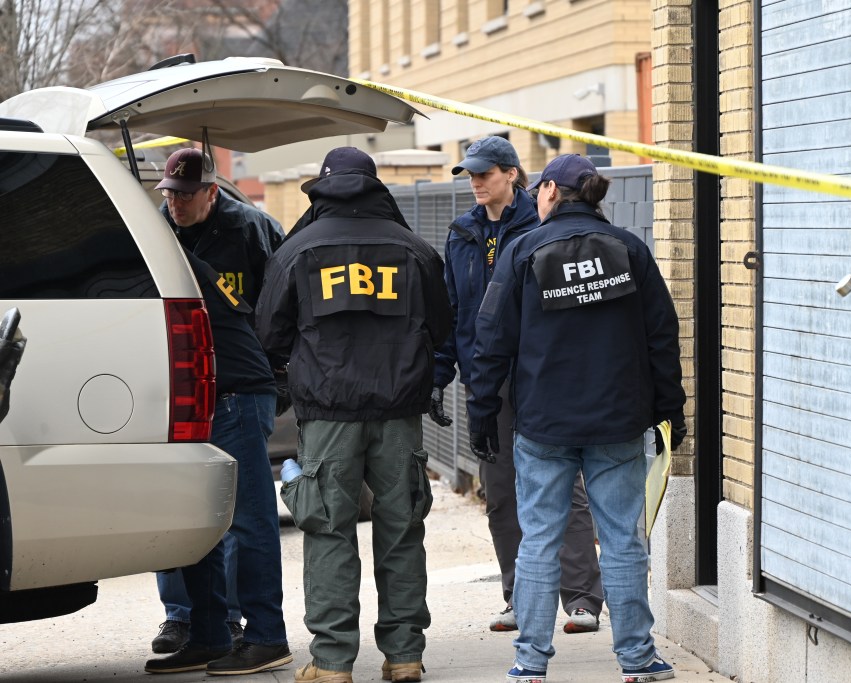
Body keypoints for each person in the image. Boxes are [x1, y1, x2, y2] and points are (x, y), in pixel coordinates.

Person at [466, 154, 686, 683]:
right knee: (623, 540)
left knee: (539, 539)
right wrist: (670, 411)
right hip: (618, 421)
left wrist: (482, 413)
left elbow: (490, 341)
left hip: (543, 423)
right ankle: (637, 659)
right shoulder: (629, 250)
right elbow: (663, 337)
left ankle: (529, 664)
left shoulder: (522, 251)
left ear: (547, 193)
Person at [255, 147, 452, 683]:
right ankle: (405, 655)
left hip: (328, 413)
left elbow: (268, 334)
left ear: (321, 187)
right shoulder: (412, 248)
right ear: (375, 186)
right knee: (402, 529)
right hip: (398, 412)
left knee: (327, 530)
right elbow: (442, 325)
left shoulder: (299, 249)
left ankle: (333, 661)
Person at [427, 136, 604, 634]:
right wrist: (441, 375)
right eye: (470, 174)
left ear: (511, 173)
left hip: (540, 377)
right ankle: (518, 597)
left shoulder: (541, 225)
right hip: (486, 381)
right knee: (501, 492)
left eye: (485, 173)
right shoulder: (462, 234)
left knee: (562, 488)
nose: (477, 182)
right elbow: (453, 313)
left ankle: (582, 599)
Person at [144, 149, 291, 676]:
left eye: (186, 194)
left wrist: (279, 377)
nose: (175, 202)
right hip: (186, 396)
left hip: (238, 391)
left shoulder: (251, 229)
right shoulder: (153, 232)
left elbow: (283, 303)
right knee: (191, 520)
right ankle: (205, 634)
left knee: (249, 520)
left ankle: (268, 636)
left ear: (212, 191)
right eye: (169, 193)